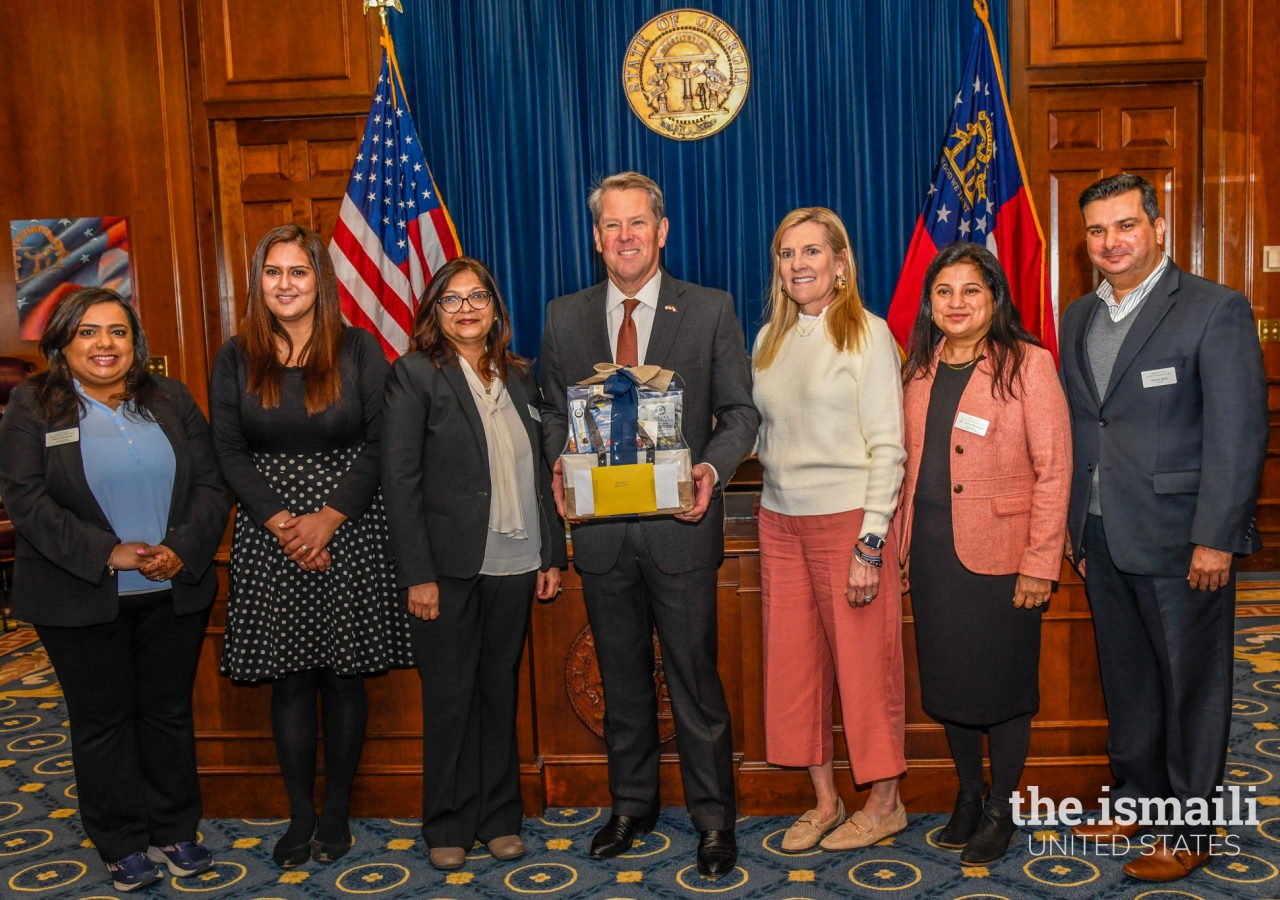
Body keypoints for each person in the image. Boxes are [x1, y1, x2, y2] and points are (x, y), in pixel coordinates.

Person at [539, 172, 759, 878]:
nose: (625, 236)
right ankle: (630, 806)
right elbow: (550, 413)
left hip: (679, 527)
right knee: (620, 680)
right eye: (612, 225)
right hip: (602, 537)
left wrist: (711, 471)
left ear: (662, 231)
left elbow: (740, 415)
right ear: (596, 237)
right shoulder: (563, 317)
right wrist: (558, 462)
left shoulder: (710, 309)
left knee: (695, 680)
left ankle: (714, 820)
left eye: (638, 223)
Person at [1059, 174, 1268, 882]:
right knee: (1129, 681)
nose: (1110, 242)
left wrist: (1218, 535)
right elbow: (1088, 425)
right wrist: (1072, 527)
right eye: (1096, 230)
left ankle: (1191, 827)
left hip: (1184, 540)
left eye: (1124, 225)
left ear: (1157, 226)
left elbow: (1240, 434)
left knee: (1192, 687)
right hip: (1100, 533)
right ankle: (1136, 797)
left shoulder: (1213, 309)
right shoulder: (1076, 315)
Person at [0, 288, 231, 892]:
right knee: (102, 721)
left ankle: (176, 827)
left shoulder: (170, 398)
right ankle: (122, 843)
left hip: (171, 589)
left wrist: (182, 546)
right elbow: (26, 500)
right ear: (62, 343)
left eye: (118, 332)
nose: (105, 344)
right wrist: (107, 553)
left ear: (136, 342)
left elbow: (211, 484)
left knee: (166, 713)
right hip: (79, 596)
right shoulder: (33, 406)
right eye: (88, 333)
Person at [209, 224, 412, 868]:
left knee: (343, 675)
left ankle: (336, 815)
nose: (285, 284)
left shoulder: (357, 349)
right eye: (274, 272)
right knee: (291, 681)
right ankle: (300, 815)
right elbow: (227, 450)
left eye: (299, 272)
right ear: (257, 281)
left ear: (320, 281)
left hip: (349, 525)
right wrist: (282, 523)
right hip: (270, 536)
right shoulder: (236, 355)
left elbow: (384, 442)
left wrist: (327, 519)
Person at [382, 257, 565, 870]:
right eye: (452, 299)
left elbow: (540, 470)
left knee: (497, 694)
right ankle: (447, 824)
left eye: (478, 296)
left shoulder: (517, 376)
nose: (466, 308)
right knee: (451, 699)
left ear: (495, 308)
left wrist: (550, 553)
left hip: (516, 561)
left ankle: (499, 817)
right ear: (435, 311)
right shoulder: (415, 376)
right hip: (447, 568)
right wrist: (418, 574)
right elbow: (399, 481)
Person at [898, 242, 1072, 864]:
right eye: (944, 292)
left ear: (995, 298)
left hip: (1004, 557)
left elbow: (1054, 471)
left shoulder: (1028, 364)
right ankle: (968, 795)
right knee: (950, 684)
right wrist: (899, 548)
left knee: (1002, 687)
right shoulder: (918, 366)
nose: (956, 303)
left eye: (971, 290)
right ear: (929, 303)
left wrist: (1039, 562)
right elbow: (908, 466)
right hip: (936, 554)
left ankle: (1002, 808)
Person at [751, 208, 908, 853]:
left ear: (841, 262)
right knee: (793, 668)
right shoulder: (766, 338)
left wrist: (872, 542)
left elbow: (890, 447)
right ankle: (824, 800)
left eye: (813, 252)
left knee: (866, 670)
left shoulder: (869, 335)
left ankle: (886, 803)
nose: (799, 265)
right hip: (778, 520)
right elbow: (767, 432)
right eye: (788, 254)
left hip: (850, 523)